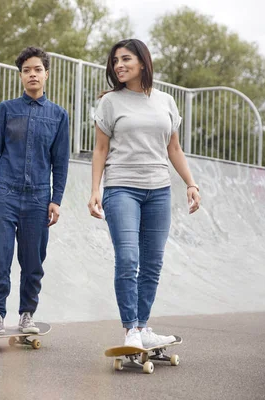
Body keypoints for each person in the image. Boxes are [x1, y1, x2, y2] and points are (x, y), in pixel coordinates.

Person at [87, 39, 201, 348]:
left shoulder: (166, 101)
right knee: (128, 258)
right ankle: (131, 331)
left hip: (159, 191)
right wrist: (95, 190)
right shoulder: (110, 101)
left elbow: (173, 148)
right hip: (121, 188)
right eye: (115, 61)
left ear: (142, 62)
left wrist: (190, 183)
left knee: (152, 263)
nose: (119, 65)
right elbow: (100, 149)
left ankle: (143, 326)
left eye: (125, 59)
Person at [0, 46, 70, 336]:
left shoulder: (58, 115)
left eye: (37, 69)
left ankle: (27, 314)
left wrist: (56, 199)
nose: (32, 74)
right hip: (4, 192)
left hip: (39, 197)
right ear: (21, 76)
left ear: (46, 74)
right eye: (27, 70)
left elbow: (61, 161)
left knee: (33, 260)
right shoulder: (6, 110)